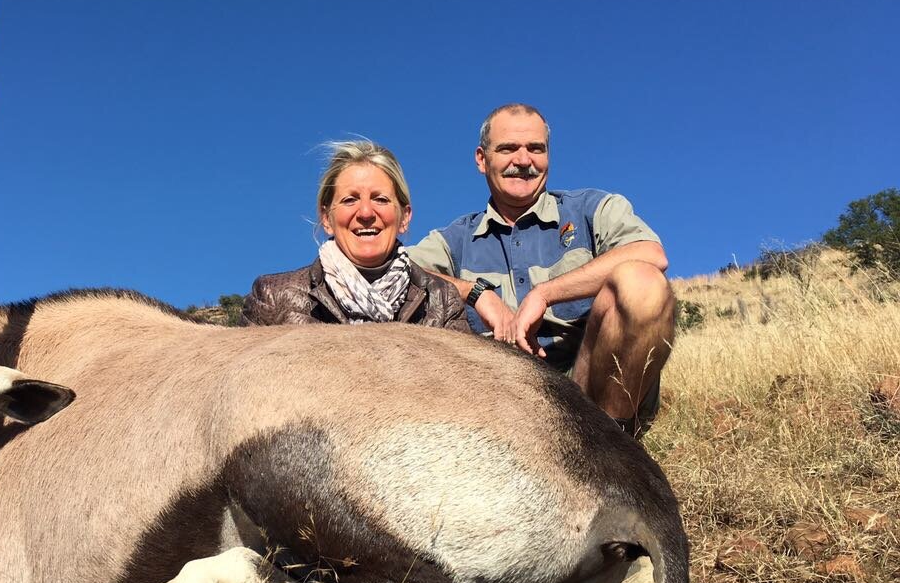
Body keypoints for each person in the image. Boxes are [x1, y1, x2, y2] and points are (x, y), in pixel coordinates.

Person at [410, 103, 674, 435]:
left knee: (644, 284)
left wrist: (545, 294)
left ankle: (611, 450)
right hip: (495, 406)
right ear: (482, 158)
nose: (523, 161)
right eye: (507, 149)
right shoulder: (455, 239)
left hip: (587, 394)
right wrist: (477, 295)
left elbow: (650, 253)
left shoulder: (590, 209)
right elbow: (400, 266)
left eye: (536, 149)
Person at [243, 140, 469, 330]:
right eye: (349, 200)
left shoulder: (443, 300)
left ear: (405, 217)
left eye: (380, 199)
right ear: (326, 218)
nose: (366, 213)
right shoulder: (273, 297)